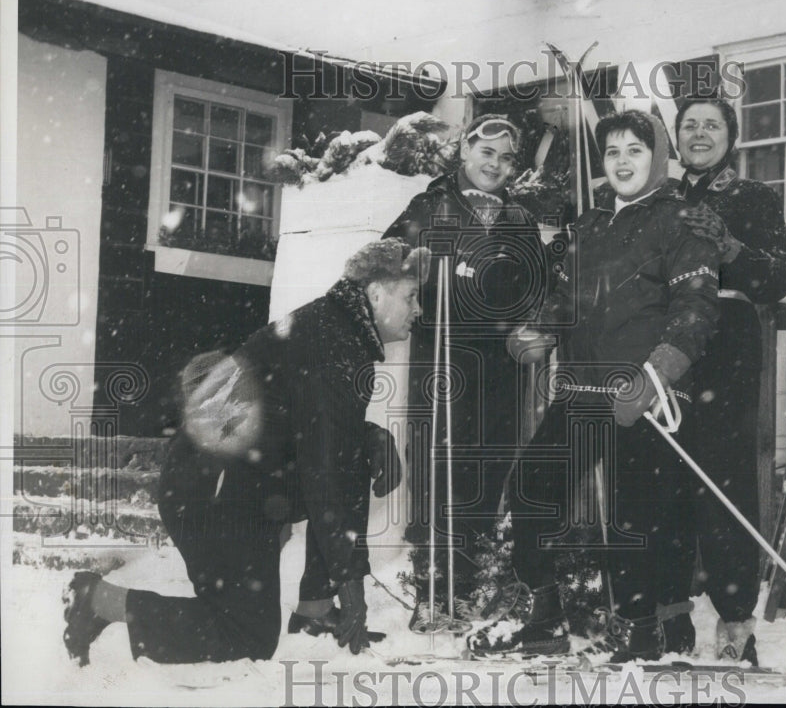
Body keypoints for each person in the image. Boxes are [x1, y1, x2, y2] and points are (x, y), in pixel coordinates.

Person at [62, 238, 428, 666]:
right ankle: (97, 599)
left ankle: (315, 609)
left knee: (357, 448)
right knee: (246, 637)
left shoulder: (335, 329)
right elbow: (323, 469)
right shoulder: (333, 342)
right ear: (375, 293)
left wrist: (370, 436)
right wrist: (350, 580)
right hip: (209, 495)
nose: (417, 310)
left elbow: (313, 426)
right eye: (411, 297)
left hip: (245, 482)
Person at [469, 110, 720, 662]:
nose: (623, 160)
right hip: (583, 392)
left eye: (635, 149)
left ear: (658, 157)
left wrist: (656, 375)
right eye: (612, 151)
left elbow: (696, 306)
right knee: (532, 486)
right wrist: (540, 330)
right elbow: (567, 297)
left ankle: (642, 629)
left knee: (634, 515)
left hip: (642, 396)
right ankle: (545, 614)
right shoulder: (589, 225)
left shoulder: (683, 221)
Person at [382, 113, 547, 624]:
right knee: (444, 468)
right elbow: (385, 260)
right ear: (464, 153)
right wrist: (420, 261)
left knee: (489, 467)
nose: (494, 165)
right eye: (486, 153)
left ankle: (472, 583)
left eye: (504, 158)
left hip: (501, 361)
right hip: (445, 356)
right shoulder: (430, 204)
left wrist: (534, 321)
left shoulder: (518, 216)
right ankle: (435, 589)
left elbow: (541, 285)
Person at [669, 96, 786, 665]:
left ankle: (735, 621)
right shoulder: (659, 197)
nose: (699, 134)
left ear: (731, 136)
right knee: (661, 474)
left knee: (724, 479)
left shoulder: (755, 197)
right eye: (689, 125)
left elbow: (778, 279)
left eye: (711, 125)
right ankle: (667, 617)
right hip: (666, 344)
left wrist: (730, 248)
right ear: (675, 137)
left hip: (727, 345)